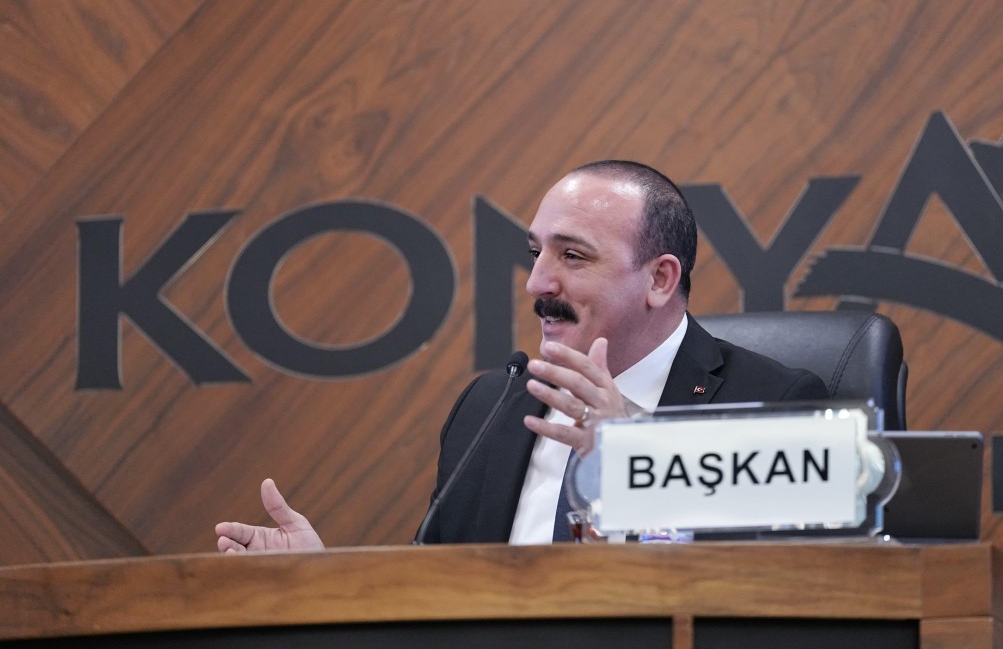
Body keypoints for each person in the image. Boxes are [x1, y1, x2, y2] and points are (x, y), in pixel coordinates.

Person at [215, 160, 829, 552]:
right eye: (536, 253)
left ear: (659, 279)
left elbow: (775, 602)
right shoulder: (491, 406)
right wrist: (321, 580)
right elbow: (437, 598)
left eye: (572, 256)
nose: (537, 283)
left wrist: (639, 462)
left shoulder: (774, 407)